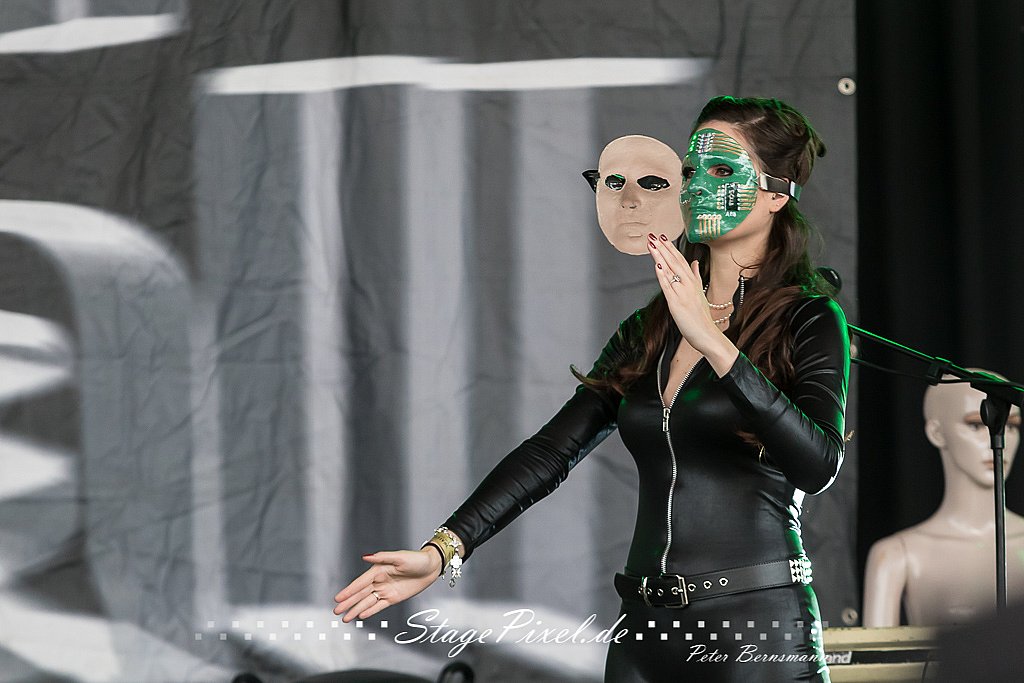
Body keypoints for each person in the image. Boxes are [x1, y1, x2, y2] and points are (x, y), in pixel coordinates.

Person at [334, 96, 849, 682]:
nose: (697, 186)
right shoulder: (648, 331)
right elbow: (552, 450)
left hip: (756, 629)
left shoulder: (809, 319)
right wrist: (443, 549)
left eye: (722, 169)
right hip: (644, 633)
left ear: (777, 193)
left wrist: (713, 341)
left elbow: (818, 464)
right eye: (689, 170)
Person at [862, 375, 1024, 627]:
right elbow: (876, 652)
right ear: (937, 433)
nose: (996, 439)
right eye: (976, 424)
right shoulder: (897, 555)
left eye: (1011, 426)